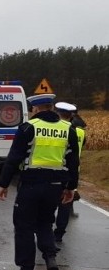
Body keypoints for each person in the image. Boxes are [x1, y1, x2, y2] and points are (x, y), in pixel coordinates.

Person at [0, 93, 79, 270]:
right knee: (45, 222)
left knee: (24, 226)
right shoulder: (68, 129)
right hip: (55, 186)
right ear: (51, 107)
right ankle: (50, 257)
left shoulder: (29, 127)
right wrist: (71, 187)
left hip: (31, 185)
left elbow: (14, 157)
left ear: (35, 109)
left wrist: (3, 183)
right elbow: (73, 161)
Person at [53, 101, 87, 247]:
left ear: (57, 113)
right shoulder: (80, 132)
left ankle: (46, 231)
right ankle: (59, 234)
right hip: (73, 171)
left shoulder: (55, 129)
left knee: (49, 204)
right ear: (72, 115)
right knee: (65, 205)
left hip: (54, 171)